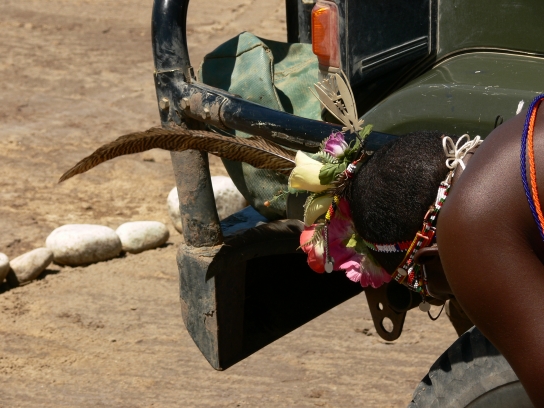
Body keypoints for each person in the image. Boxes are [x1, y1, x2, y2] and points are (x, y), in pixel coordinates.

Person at [347, 97, 544, 405]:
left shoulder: (469, 224)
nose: (441, 300)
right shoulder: (511, 140)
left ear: (430, 259)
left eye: (427, 291)